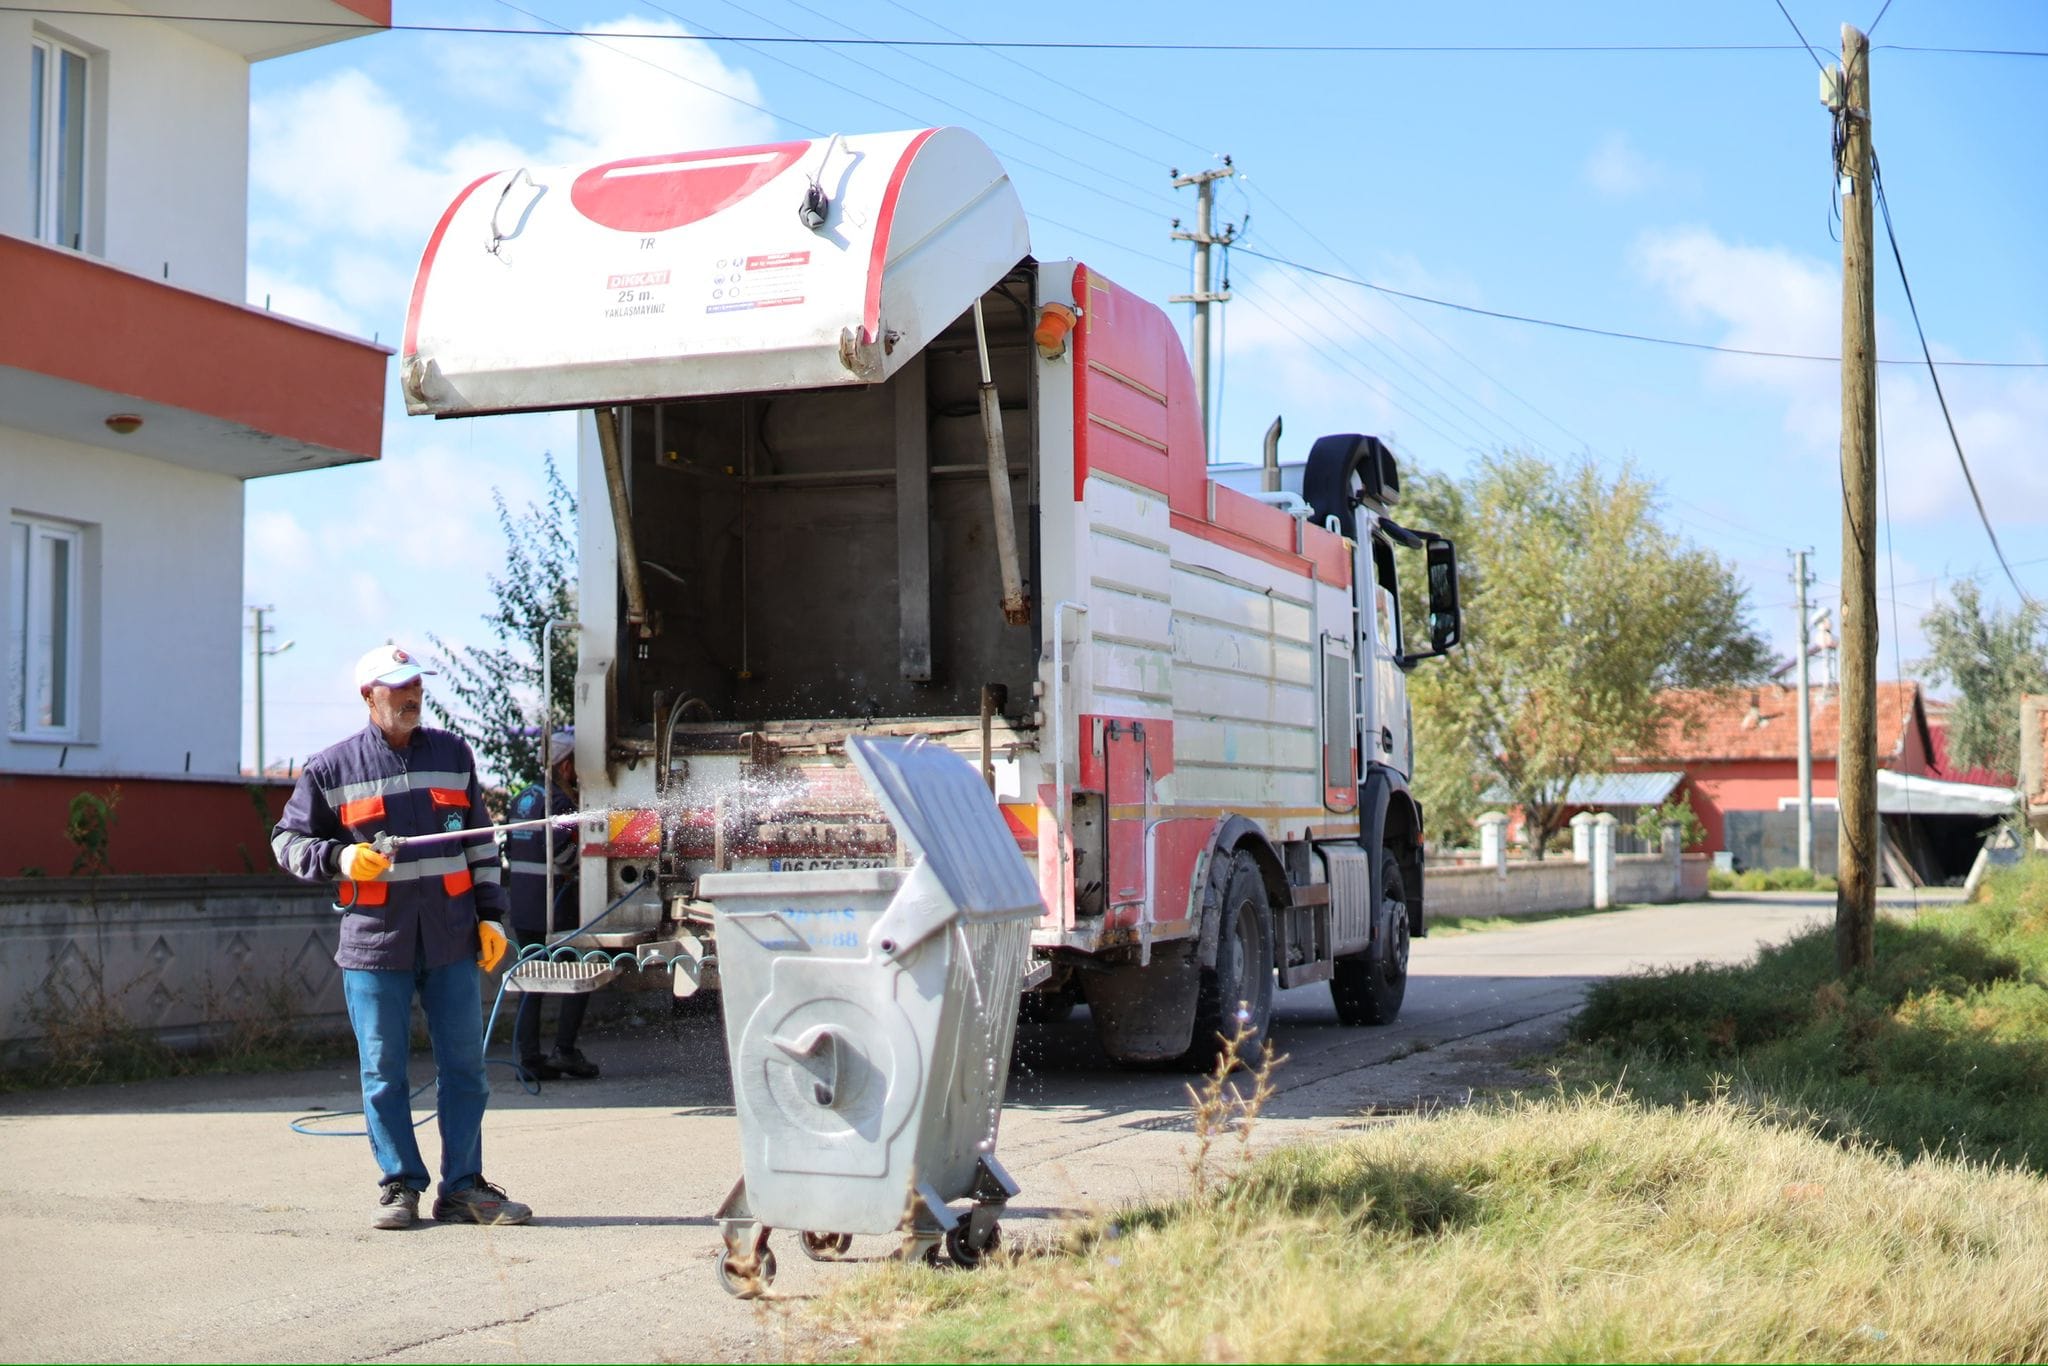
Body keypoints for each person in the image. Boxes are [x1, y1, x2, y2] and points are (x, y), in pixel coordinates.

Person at [271, 644, 532, 1231]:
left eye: (417, 684)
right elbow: (285, 843)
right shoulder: (329, 768)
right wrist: (340, 857)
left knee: (466, 1068)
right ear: (369, 697)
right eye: (398, 687)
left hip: (452, 941)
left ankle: (463, 1188)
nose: (413, 695)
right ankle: (400, 1186)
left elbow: (481, 844)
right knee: (383, 1071)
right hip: (374, 946)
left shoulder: (452, 754)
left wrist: (492, 917)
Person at [507, 728, 599, 1081]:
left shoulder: (521, 798)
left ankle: (528, 1059)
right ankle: (565, 1050)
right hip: (555, 908)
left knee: (532, 979)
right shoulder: (558, 803)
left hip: (525, 906)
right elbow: (565, 854)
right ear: (564, 766)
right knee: (579, 970)